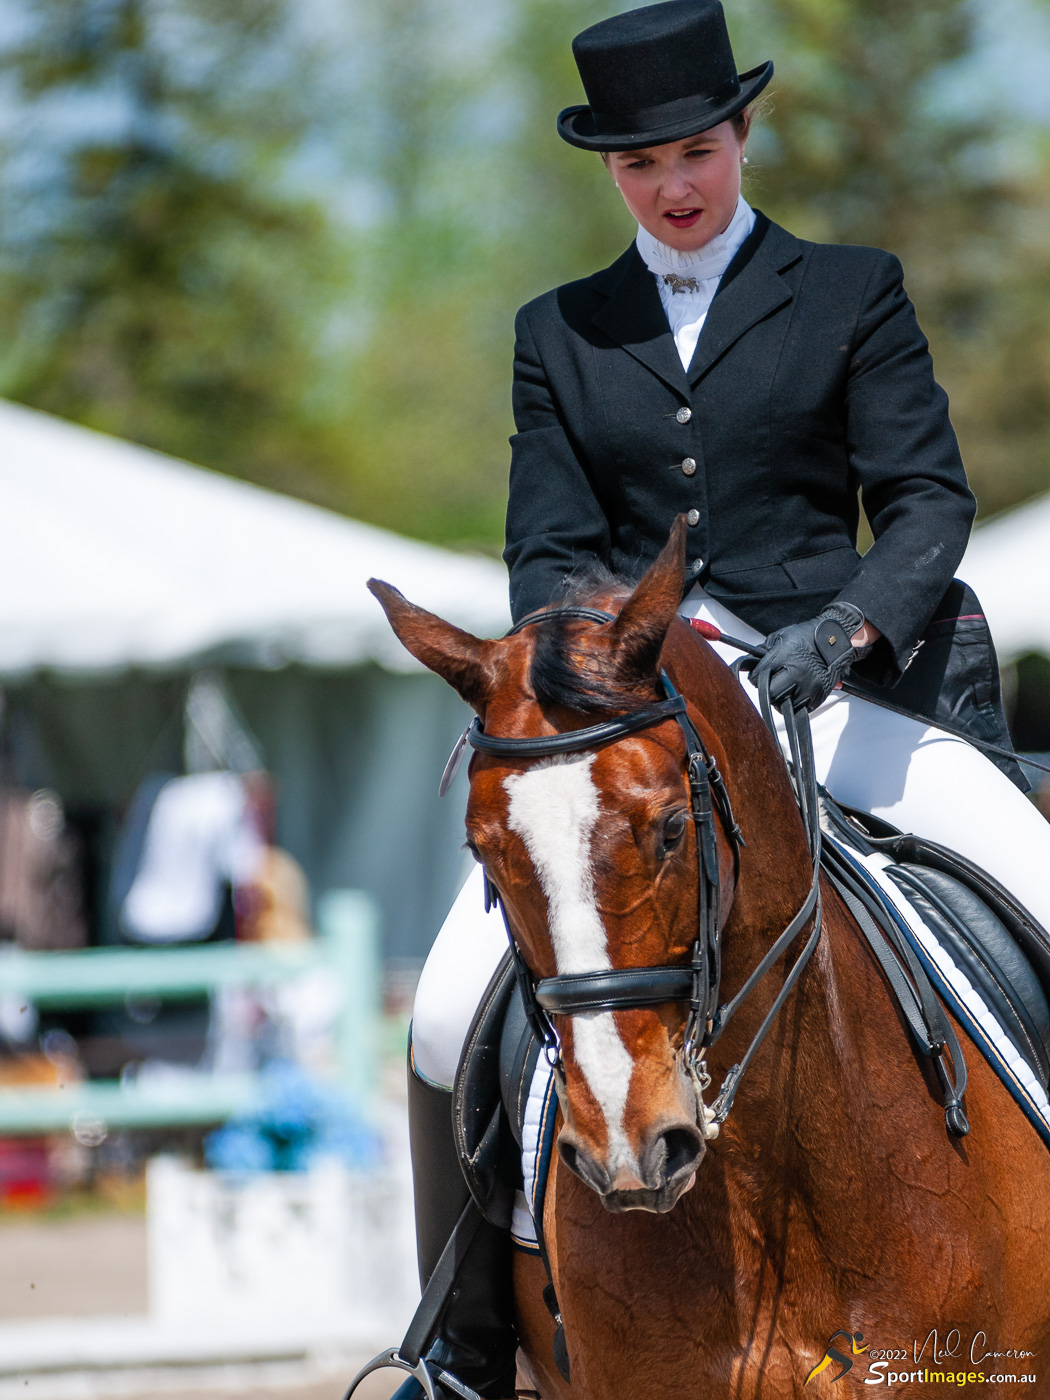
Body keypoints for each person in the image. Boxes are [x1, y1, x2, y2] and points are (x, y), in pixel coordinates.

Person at [396, 4, 1050, 1397]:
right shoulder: (560, 332)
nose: (673, 187)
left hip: (846, 690)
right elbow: (545, 551)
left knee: (1037, 882)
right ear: (610, 176)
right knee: (449, 1004)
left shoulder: (847, 289)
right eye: (640, 168)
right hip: (645, 714)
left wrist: (846, 627)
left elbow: (928, 501)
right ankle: (457, 1346)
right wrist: (615, 655)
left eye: (693, 152)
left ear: (739, 137)